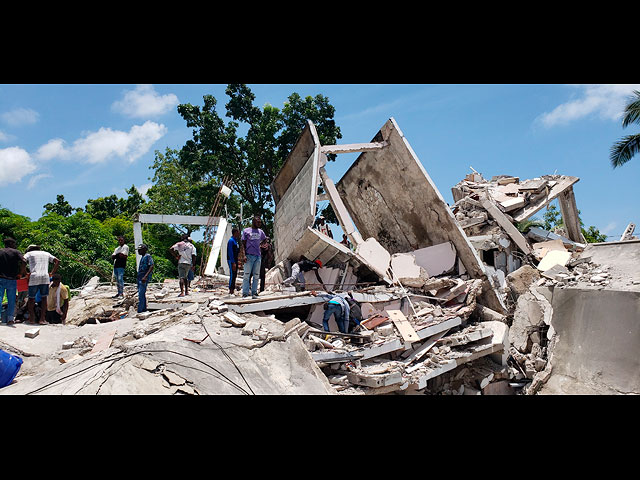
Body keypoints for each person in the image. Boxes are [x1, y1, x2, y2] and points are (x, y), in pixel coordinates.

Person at [24, 245, 60, 325]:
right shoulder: (46, 253)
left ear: (29, 249)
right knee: (44, 298)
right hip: (45, 276)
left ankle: (32, 319)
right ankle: (42, 319)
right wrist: (52, 273)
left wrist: (24, 273)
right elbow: (57, 261)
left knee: (31, 298)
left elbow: (23, 261)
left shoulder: (29, 253)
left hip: (34, 276)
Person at [0, 237, 26, 325]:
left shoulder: (0, 251)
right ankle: (10, 319)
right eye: (14, 244)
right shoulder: (16, 252)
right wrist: (20, 273)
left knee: (0, 298)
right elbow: (24, 261)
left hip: (1, 278)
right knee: (11, 300)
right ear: (11, 244)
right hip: (12, 279)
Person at [241, 215, 266, 299]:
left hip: (258, 256)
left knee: (256, 275)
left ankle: (254, 293)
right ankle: (245, 293)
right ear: (253, 222)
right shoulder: (246, 231)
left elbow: (265, 239)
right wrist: (243, 255)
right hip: (249, 256)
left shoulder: (261, 232)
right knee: (246, 275)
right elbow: (243, 244)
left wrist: (262, 245)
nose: (259, 223)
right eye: (258, 222)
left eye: (260, 222)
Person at [136, 244, 154, 313]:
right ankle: (143, 309)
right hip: (140, 277)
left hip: (143, 277)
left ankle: (140, 310)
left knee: (141, 294)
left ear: (144, 249)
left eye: (140, 250)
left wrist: (145, 276)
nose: (138, 251)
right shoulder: (143, 257)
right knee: (142, 294)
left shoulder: (148, 256)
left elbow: (151, 266)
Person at [227, 227, 240, 295]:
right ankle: (231, 289)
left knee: (235, 275)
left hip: (235, 259)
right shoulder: (231, 241)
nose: (239, 234)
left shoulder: (236, 241)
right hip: (231, 260)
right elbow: (230, 252)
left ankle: (233, 289)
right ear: (235, 233)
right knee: (232, 274)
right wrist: (233, 262)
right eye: (238, 232)